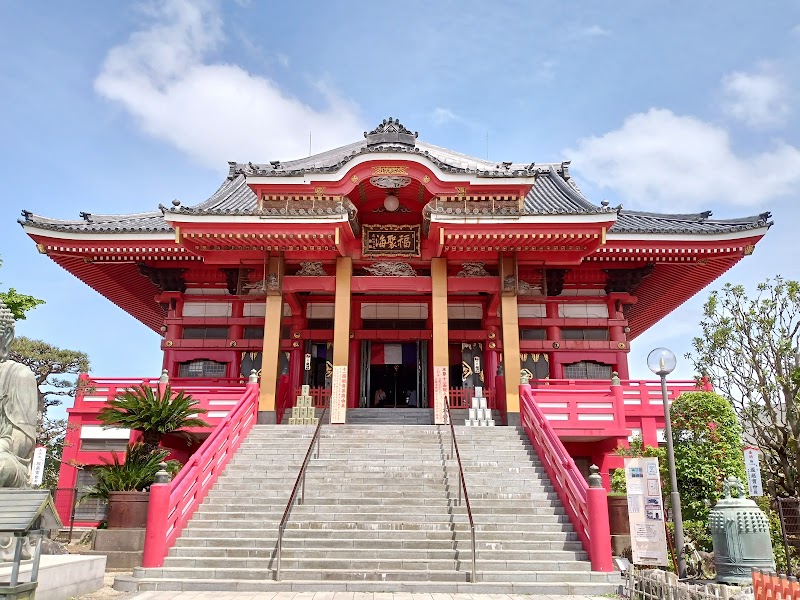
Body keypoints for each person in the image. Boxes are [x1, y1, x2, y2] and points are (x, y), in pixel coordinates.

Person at [0, 302, 37, 488]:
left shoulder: (18, 375)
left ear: (6, 336)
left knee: (2, 466)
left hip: (5, 456)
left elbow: (21, 444)